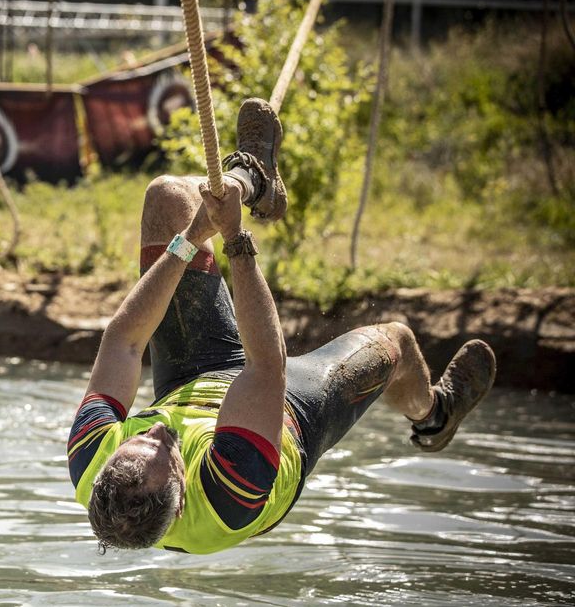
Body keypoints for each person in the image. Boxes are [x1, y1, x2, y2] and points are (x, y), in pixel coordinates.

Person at [67, 98, 496, 554]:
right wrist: (234, 238)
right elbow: (265, 366)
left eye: (134, 439)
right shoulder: (229, 493)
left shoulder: (92, 459)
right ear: (181, 496)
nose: (150, 431)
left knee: (168, 197)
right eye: (162, 446)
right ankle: (434, 417)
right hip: (291, 414)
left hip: (192, 381)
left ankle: (251, 179)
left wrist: (193, 237)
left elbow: (125, 342)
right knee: (396, 342)